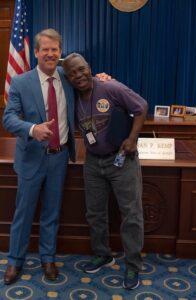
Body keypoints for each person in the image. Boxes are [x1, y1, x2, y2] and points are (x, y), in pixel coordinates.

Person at [2, 28, 110, 285]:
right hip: (31, 157)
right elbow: (8, 119)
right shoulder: (20, 82)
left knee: (52, 212)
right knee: (23, 212)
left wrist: (103, 78)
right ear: (36, 52)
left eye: (55, 49)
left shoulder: (67, 77)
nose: (50, 54)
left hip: (59, 157)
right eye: (45, 49)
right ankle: (15, 261)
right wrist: (32, 129)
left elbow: (88, 81)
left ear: (60, 52)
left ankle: (47, 258)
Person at [62, 53, 148, 290]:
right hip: (93, 162)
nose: (78, 76)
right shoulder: (71, 95)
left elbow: (141, 107)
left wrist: (132, 138)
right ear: (67, 78)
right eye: (72, 73)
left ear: (89, 67)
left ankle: (132, 265)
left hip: (121, 160)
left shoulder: (110, 86)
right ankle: (103, 254)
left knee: (131, 214)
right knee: (95, 212)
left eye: (81, 69)